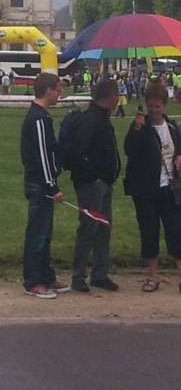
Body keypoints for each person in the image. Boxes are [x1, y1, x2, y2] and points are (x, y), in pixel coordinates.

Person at [124, 83, 181, 292]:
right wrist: (137, 128)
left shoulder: (172, 127)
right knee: (149, 233)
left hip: (169, 188)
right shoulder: (141, 126)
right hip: (146, 190)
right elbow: (129, 150)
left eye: (158, 106)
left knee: (176, 232)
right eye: (151, 106)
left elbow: (178, 147)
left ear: (164, 106)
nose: (154, 110)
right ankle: (153, 276)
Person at [70, 79, 121, 292]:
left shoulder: (101, 118)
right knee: (89, 229)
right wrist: (95, 178)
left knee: (103, 229)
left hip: (104, 182)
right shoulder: (91, 120)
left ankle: (100, 273)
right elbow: (79, 153)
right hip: (93, 184)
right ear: (111, 98)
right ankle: (79, 276)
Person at [20, 71, 68, 299]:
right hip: (40, 185)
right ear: (48, 91)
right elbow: (42, 156)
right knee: (37, 234)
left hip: (42, 183)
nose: (60, 94)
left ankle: (46, 276)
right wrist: (52, 187)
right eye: (58, 90)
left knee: (45, 233)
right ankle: (33, 281)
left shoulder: (41, 116)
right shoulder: (38, 119)